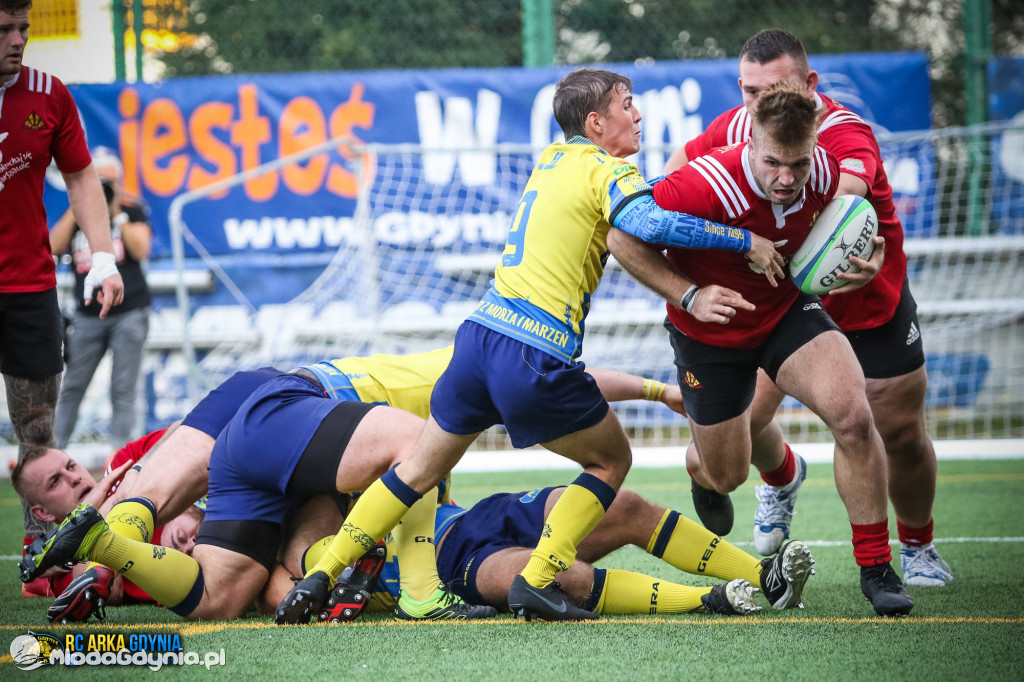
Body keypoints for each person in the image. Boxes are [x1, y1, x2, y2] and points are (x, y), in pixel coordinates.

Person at [277, 67, 787, 625]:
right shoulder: (603, 167)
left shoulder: (552, 158)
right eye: (627, 104)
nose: (638, 115)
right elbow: (645, 221)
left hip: (477, 340)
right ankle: (539, 579)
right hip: (531, 351)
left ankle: (318, 580)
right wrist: (744, 240)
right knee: (612, 458)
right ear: (596, 123)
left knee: (415, 472)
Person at [20, 347, 696, 622]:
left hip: (273, 445)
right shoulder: (481, 368)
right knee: (415, 448)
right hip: (283, 400)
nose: (75, 474)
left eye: (67, 470)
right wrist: (656, 388)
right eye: (57, 480)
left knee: (222, 596)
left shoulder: (493, 376)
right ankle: (418, 593)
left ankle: (105, 549)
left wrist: (658, 389)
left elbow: (568, 382)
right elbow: (565, 381)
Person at [608, 82, 913, 617]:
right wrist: (689, 294)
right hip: (709, 334)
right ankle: (747, 469)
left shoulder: (823, 174)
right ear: (752, 140)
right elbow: (621, 239)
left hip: (785, 314)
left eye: (798, 164)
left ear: (815, 146)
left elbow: (843, 233)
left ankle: (877, 567)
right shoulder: (705, 182)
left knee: (854, 415)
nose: (786, 179)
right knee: (725, 473)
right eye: (773, 163)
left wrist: (860, 261)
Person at [664, 29, 950, 589]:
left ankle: (916, 547)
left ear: (808, 87)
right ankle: (782, 476)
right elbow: (676, 176)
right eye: (748, 91)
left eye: (771, 90)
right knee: (723, 454)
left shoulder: (844, 134)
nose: (757, 106)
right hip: (785, 303)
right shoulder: (741, 128)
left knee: (896, 432)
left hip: (866, 302)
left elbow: (839, 206)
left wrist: (861, 247)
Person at [266, 485, 815, 620]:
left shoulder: (329, 481)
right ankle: (709, 600)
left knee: (622, 505)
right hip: (453, 571)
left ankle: (765, 577)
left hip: (475, 517)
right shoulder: (293, 550)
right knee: (557, 579)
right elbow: (292, 573)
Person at [0, 0, 125, 547]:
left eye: (22, 28)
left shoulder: (48, 93)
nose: (17, 39)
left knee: (38, 432)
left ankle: (42, 551)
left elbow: (80, 177)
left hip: (29, 287)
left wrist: (102, 257)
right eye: (5, 29)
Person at [50, 146, 152, 452]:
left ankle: (118, 461)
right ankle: (53, 454)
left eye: (110, 181)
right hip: (87, 316)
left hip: (129, 312)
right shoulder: (76, 215)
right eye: (99, 180)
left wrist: (116, 213)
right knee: (71, 388)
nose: (105, 187)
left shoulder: (131, 210)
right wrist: (81, 204)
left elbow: (141, 249)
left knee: (123, 390)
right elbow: (53, 247)